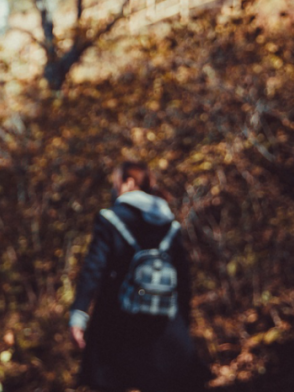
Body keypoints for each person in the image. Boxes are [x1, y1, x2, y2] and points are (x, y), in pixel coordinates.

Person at [69, 161, 210, 392]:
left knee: (110, 382)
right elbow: (183, 280)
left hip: (117, 321)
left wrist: (79, 314)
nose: (114, 189)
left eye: (116, 182)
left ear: (129, 183)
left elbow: (93, 269)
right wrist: (183, 323)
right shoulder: (169, 224)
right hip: (164, 323)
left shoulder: (110, 218)